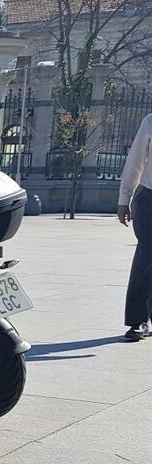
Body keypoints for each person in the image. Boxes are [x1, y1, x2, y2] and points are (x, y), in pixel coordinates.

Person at [117, 112, 152, 341]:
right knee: (146, 256)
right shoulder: (150, 121)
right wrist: (124, 199)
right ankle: (137, 320)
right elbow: (135, 161)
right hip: (150, 198)